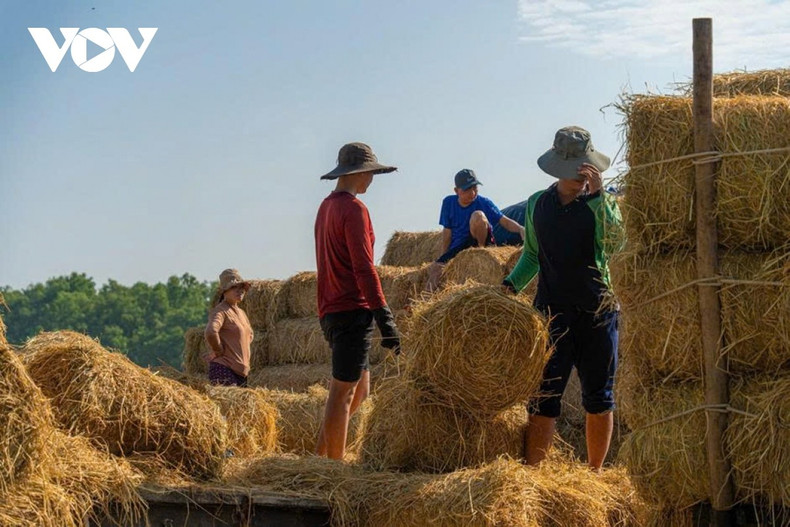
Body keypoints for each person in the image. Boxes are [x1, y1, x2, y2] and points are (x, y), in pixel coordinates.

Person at [503, 126, 622, 470]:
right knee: (543, 398)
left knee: (599, 399)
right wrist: (509, 286)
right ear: (558, 171)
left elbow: (617, 245)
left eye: (586, 171)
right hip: (551, 315)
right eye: (574, 173)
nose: (581, 179)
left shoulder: (602, 204)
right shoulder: (538, 205)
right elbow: (531, 256)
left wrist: (600, 197)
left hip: (598, 314)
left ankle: (595, 473)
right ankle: (533, 475)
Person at [314, 142, 401, 460]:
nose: (372, 180)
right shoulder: (353, 209)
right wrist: (383, 314)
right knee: (343, 392)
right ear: (359, 173)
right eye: (371, 173)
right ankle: (334, 467)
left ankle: (320, 457)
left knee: (360, 390)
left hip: (331, 307)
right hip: (350, 308)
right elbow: (363, 266)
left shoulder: (326, 208)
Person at [426, 169, 525, 291]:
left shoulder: (484, 202)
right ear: (456, 191)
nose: (472, 193)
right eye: (467, 189)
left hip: (481, 240)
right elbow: (447, 232)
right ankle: (426, 302)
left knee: (478, 215)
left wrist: (520, 229)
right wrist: (443, 256)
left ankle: (481, 250)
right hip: (461, 245)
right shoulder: (448, 203)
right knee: (435, 268)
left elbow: (504, 221)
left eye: (475, 188)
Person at [204, 268, 254, 387]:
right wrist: (218, 350)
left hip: (241, 373)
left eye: (241, 287)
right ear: (224, 291)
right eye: (234, 287)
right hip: (224, 369)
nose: (240, 291)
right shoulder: (220, 311)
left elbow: (249, 337)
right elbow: (211, 332)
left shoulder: (242, 313)